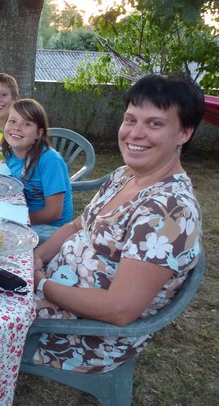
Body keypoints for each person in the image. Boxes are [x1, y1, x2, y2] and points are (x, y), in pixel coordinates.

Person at [31, 73, 204, 373]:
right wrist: (36, 257)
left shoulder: (169, 211)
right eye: (130, 119)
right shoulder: (124, 175)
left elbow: (118, 309)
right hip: (53, 292)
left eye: (154, 123)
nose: (135, 133)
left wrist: (41, 284)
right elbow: (77, 226)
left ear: (184, 133)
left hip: (81, 335)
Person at [2, 99, 73, 238]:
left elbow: (53, 213)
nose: (17, 127)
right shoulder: (10, 154)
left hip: (52, 229)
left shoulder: (50, 161)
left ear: (38, 134)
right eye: (12, 121)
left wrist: (16, 218)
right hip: (23, 213)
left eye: (26, 124)